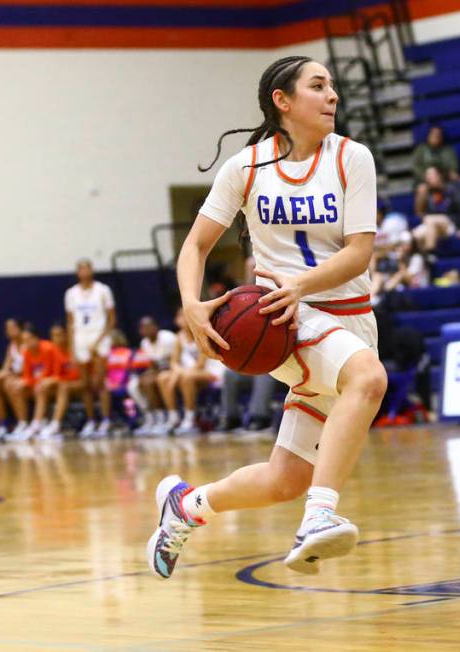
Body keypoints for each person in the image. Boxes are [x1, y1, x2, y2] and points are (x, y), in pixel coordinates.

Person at [147, 56, 386, 580]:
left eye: (332, 87)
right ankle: (319, 517)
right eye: (318, 87)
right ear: (283, 101)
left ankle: (188, 506)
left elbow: (359, 253)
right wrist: (191, 305)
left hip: (351, 320)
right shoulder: (247, 167)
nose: (333, 97)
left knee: (285, 478)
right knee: (368, 379)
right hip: (283, 319)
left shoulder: (353, 157)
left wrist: (304, 283)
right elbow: (196, 245)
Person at [64, 259, 116, 437]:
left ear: (92, 270)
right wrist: (71, 348)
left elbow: (111, 319)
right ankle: (92, 420)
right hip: (81, 337)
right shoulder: (71, 293)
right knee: (85, 384)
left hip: (99, 335)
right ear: (77, 272)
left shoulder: (103, 290)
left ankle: (107, 420)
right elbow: (70, 323)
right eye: (81, 268)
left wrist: (100, 339)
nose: (84, 271)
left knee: (99, 382)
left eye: (87, 268)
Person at [156, 308, 226, 436]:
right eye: (180, 316)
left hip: (212, 371)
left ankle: (190, 418)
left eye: (185, 316)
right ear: (176, 320)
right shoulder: (179, 336)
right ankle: (173, 416)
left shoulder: (202, 332)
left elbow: (201, 364)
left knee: (186, 377)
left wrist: (179, 373)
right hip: (190, 373)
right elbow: (173, 362)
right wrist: (177, 372)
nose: (183, 319)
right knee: (163, 377)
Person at [5, 324, 55, 442]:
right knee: (15, 387)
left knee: (40, 388)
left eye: (28, 339)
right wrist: (23, 382)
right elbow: (28, 375)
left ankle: (36, 424)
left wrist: (30, 381)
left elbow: (50, 372)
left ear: (36, 338)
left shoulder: (48, 348)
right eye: (24, 341)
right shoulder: (27, 352)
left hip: (53, 384)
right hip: (38, 384)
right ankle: (23, 423)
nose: (26, 343)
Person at [34, 324, 83, 440]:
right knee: (42, 387)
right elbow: (51, 372)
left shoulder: (76, 350)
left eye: (59, 335)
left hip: (80, 383)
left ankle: (56, 424)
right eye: (53, 336)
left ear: (66, 335)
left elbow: (76, 374)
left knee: (63, 387)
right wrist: (45, 380)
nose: (56, 339)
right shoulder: (53, 351)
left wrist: (54, 379)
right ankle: (37, 424)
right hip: (63, 383)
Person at [130, 316, 177, 436]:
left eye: (148, 326)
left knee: (151, 382)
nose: (145, 330)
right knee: (134, 384)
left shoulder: (168, 338)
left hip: (176, 369)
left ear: (156, 327)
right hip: (161, 371)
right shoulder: (144, 343)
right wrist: (150, 373)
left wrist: (155, 374)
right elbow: (154, 365)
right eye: (142, 328)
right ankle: (150, 416)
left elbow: (175, 361)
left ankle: (163, 416)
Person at [412, 167, 460, 253]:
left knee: (429, 219)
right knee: (413, 236)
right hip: (432, 226)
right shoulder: (427, 194)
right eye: (427, 176)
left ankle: (430, 252)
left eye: (432, 175)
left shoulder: (451, 189)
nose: (429, 178)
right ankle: (425, 259)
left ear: (439, 176)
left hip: (449, 223)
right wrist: (420, 196)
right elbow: (419, 214)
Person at [0, 318, 25, 441]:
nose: (9, 331)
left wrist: (10, 375)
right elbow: (5, 368)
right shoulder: (11, 346)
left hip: (27, 379)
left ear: (20, 328)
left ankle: (22, 424)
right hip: (14, 378)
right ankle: (3, 426)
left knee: (10, 384)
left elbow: (28, 367)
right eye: (7, 328)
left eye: (12, 327)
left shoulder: (27, 343)